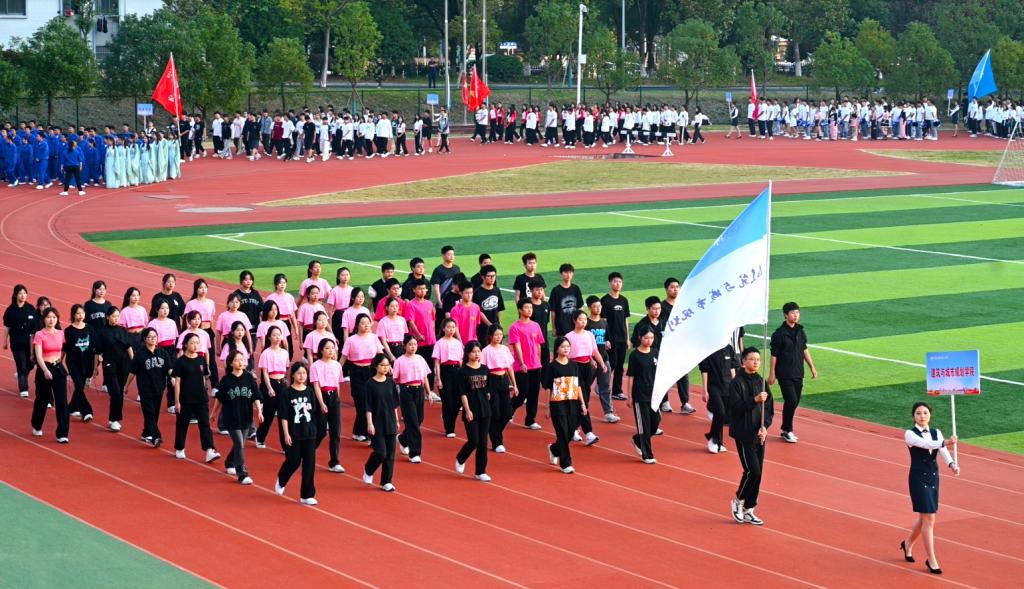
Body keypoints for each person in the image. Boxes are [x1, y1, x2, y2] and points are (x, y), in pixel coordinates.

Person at [902, 401, 960, 575]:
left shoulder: (936, 432)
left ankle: (907, 543)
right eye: (918, 413)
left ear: (930, 415)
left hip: (933, 477)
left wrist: (952, 464)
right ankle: (932, 560)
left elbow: (942, 451)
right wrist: (947, 442)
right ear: (913, 416)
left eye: (925, 413)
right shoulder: (910, 434)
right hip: (918, 478)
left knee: (925, 518)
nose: (922, 416)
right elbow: (926, 445)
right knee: (929, 518)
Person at [727, 347, 774, 526]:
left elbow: (768, 408)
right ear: (743, 361)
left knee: (758, 473)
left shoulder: (762, 382)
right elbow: (735, 408)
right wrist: (754, 400)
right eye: (752, 359)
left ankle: (749, 508)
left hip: (758, 433)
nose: (756, 362)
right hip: (744, 433)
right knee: (752, 471)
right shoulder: (736, 383)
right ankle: (738, 500)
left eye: (758, 359)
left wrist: (765, 426)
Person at [768, 302, 818, 443]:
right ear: (785, 315)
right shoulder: (779, 334)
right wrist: (772, 374)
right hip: (784, 373)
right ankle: (787, 430)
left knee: (794, 402)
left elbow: (804, 350)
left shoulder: (800, 331)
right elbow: (774, 355)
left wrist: (812, 367)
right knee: (791, 400)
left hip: (798, 372)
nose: (795, 315)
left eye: (797, 312)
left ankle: (785, 429)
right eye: (792, 313)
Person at [211, 350, 262, 484]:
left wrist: (259, 411)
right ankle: (242, 473)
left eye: (242, 359)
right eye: (237, 360)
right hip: (231, 417)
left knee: (240, 444)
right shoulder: (226, 380)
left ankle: (229, 461)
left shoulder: (249, 378)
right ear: (231, 363)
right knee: (239, 443)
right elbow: (220, 398)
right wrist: (214, 413)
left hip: (246, 416)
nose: (240, 362)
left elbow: (256, 396)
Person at [173, 333, 221, 463]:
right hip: (185, 399)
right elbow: (177, 382)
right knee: (182, 424)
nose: (195, 345)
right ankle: (180, 448)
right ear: (185, 344)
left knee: (205, 424)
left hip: (201, 398)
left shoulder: (201, 359)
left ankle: (209, 450)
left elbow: (204, 378)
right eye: (192, 343)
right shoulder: (180, 362)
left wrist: (205, 391)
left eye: (197, 343)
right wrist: (177, 401)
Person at [275, 362, 318, 504]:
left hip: (309, 433)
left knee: (309, 464)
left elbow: (313, 411)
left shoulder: (310, 391)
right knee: (293, 461)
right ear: (293, 375)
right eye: (299, 373)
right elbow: (284, 416)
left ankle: (307, 495)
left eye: (304, 373)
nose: (302, 376)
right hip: (294, 433)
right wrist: (286, 434)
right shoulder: (287, 393)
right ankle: (282, 479)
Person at [543, 337, 588, 474]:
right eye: (563, 346)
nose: (566, 349)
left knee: (569, 433)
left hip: (573, 403)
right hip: (558, 404)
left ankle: (554, 449)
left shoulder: (574, 366)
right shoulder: (551, 367)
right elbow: (547, 388)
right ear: (557, 349)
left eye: (568, 346)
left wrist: (582, 403)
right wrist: (547, 406)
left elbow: (578, 386)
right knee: (562, 433)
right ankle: (565, 463)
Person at [125, 327, 172, 447]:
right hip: (145, 389)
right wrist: (126, 386)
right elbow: (132, 371)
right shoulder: (140, 354)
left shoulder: (162, 353)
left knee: (154, 413)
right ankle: (156, 436)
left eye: (155, 337)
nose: (153, 339)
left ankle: (146, 433)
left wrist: (172, 377)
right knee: (149, 413)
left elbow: (169, 368)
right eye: (150, 337)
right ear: (145, 339)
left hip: (159, 387)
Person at [566, 310, 606, 446]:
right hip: (574, 367)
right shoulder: (569, 336)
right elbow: (566, 355)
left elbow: (594, 351)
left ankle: (572, 429)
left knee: (585, 398)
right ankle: (588, 433)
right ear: (574, 321)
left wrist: (601, 363)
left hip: (587, 367)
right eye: (580, 319)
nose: (583, 322)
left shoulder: (589, 334)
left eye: (585, 319)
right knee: (581, 398)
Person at [342, 314, 384, 442]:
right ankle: (363, 431)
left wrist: (386, 367)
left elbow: (380, 354)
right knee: (361, 403)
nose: (366, 325)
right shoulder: (351, 340)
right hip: (357, 372)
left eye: (368, 323)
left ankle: (359, 431)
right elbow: (343, 358)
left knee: (372, 402)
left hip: (371, 371)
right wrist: (335, 371)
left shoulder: (374, 338)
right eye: (362, 323)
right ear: (357, 325)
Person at [30, 308, 69, 442]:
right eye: (48, 317)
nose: (51, 320)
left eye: (54, 317)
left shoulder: (61, 334)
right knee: (42, 399)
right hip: (44, 369)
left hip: (58, 369)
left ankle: (62, 433)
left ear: (57, 319)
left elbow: (63, 350)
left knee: (62, 402)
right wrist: (46, 370)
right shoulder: (39, 334)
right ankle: (36, 425)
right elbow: (38, 356)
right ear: (44, 319)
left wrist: (59, 363)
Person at [455, 341, 492, 481]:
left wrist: (488, 394)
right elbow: (462, 393)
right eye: (474, 352)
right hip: (471, 409)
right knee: (474, 441)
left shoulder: (485, 369)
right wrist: (467, 410)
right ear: (468, 353)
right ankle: (461, 458)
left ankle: (480, 471)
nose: (477, 354)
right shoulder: (463, 372)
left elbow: (487, 388)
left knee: (483, 442)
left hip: (485, 410)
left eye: (478, 351)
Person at [363, 353, 400, 492]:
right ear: (376, 366)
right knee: (380, 452)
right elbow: (368, 406)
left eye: (387, 365)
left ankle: (386, 481)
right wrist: (369, 423)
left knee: (390, 454)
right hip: (376, 422)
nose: (385, 368)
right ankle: (369, 469)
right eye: (382, 365)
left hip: (390, 420)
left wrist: (396, 420)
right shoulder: (370, 384)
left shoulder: (391, 382)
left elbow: (394, 403)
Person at [393, 334, 432, 463]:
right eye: (410, 344)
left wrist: (428, 392)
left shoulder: (420, 359)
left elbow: (424, 377)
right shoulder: (399, 361)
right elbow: (395, 380)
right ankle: (415, 453)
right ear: (404, 346)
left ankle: (403, 439)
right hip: (406, 391)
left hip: (419, 390)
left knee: (418, 420)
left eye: (415, 344)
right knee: (413, 422)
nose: (413, 347)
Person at [480, 325, 518, 453]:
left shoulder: (505, 349)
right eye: (496, 335)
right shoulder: (486, 351)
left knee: (507, 413)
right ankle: (497, 442)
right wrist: (485, 389)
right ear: (490, 335)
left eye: (500, 335)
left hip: (504, 380)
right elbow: (483, 370)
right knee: (495, 412)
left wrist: (514, 384)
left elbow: (509, 367)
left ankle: (493, 432)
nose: (498, 337)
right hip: (492, 380)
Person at [310, 338, 345, 473]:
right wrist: (321, 403)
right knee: (321, 431)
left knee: (336, 431)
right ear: (321, 350)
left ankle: (334, 462)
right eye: (327, 348)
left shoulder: (337, 365)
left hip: (334, 397)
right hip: (321, 396)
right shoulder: (315, 366)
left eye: (332, 348)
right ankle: (308, 452)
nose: (331, 350)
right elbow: (316, 385)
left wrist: (337, 400)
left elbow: (338, 384)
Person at [509, 299, 544, 430]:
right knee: (522, 393)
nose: (529, 310)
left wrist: (538, 360)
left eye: (531, 307)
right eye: (526, 307)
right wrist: (522, 362)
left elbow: (538, 345)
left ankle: (530, 420)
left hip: (536, 365)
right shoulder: (515, 327)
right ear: (520, 310)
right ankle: (508, 411)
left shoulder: (536, 325)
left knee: (534, 394)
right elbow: (517, 346)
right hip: (522, 366)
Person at [97, 307, 135, 432]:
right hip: (109, 365)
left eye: (117, 316)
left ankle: (114, 419)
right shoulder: (102, 332)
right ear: (107, 317)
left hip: (123, 364)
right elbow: (97, 352)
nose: (116, 318)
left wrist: (134, 362)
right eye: (113, 316)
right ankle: (114, 419)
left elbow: (128, 346)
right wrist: (95, 368)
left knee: (120, 392)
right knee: (115, 392)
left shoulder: (122, 330)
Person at [626, 327, 658, 463]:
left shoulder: (655, 352)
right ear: (640, 338)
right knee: (644, 426)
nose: (649, 340)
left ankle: (637, 440)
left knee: (655, 423)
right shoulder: (634, 355)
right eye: (646, 338)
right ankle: (647, 455)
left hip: (653, 394)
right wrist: (629, 396)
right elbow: (631, 376)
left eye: (651, 338)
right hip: (640, 395)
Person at [255, 325, 289, 448]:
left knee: (283, 415)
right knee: (268, 414)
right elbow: (265, 372)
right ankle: (260, 437)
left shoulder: (285, 353)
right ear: (269, 337)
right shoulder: (266, 353)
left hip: (282, 384)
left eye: (279, 335)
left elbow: (286, 369)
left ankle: (285, 444)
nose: (277, 337)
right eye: (274, 335)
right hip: (271, 383)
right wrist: (269, 388)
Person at [600, 272, 630, 406]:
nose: (618, 284)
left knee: (620, 366)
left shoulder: (624, 300)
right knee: (612, 363)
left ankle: (617, 391)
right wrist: (606, 338)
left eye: (620, 282)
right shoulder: (605, 300)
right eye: (615, 281)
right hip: (611, 338)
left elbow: (625, 320)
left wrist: (627, 338)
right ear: (610, 283)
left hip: (622, 337)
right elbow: (603, 321)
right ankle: (602, 384)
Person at [699, 342, 735, 454]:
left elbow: (732, 368)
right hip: (714, 386)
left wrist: (735, 385)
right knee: (720, 412)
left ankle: (719, 443)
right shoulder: (708, 349)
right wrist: (705, 390)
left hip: (728, 386)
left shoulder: (729, 348)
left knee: (722, 416)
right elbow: (704, 371)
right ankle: (712, 439)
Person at [432, 318, 463, 437]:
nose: (451, 330)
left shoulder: (458, 343)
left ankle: (447, 418)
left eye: (453, 327)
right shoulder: (439, 343)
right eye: (449, 327)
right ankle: (449, 429)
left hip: (457, 371)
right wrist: (438, 378)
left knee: (457, 401)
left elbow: (460, 360)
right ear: (443, 328)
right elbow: (437, 362)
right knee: (448, 401)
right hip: (445, 371)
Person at [64, 304, 95, 422]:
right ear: (73, 315)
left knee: (80, 387)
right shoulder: (68, 331)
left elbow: (94, 346)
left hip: (86, 362)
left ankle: (71, 408)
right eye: (78, 313)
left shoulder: (89, 328)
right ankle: (86, 411)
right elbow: (65, 348)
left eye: (82, 313)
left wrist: (98, 358)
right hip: (73, 363)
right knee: (79, 386)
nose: (81, 315)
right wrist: (59, 362)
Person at [4, 284, 36, 397]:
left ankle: (21, 375)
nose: (23, 295)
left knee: (30, 364)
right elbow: (7, 327)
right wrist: (5, 341)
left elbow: (35, 326)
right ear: (15, 295)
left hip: (29, 343)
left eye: (25, 293)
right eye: (20, 293)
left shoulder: (31, 308)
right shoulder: (10, 310)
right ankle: (24, 388)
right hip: (17, 342)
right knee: (22, 365)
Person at [549, 263, 583, 338]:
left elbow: (580, 308)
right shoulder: (556, 290)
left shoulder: (576, 289)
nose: (568, 275)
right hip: (561, 327)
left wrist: (580, 323)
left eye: (570, 272)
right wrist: (554, 328)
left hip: (574, 326)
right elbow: (553, 311)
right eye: (566, 272)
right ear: (561, 274)